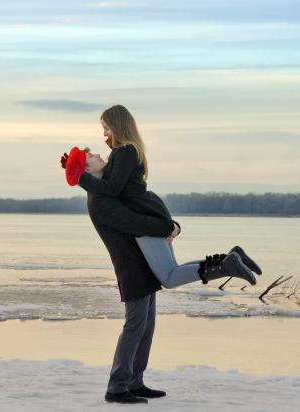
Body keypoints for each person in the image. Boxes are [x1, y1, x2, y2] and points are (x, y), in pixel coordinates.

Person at [60, 105, 261, 404]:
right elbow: (135, 222)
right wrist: (166, 227)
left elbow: (132, 196)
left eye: (105, 130)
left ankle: (135, 381)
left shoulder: (114, 173)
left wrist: (169, 226)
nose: (100, 151)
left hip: (141, 261)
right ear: (87, 172)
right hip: (131, 266)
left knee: (146, 326)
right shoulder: (100, 201)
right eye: (91, 157)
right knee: (134, 325)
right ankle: (117, 387)